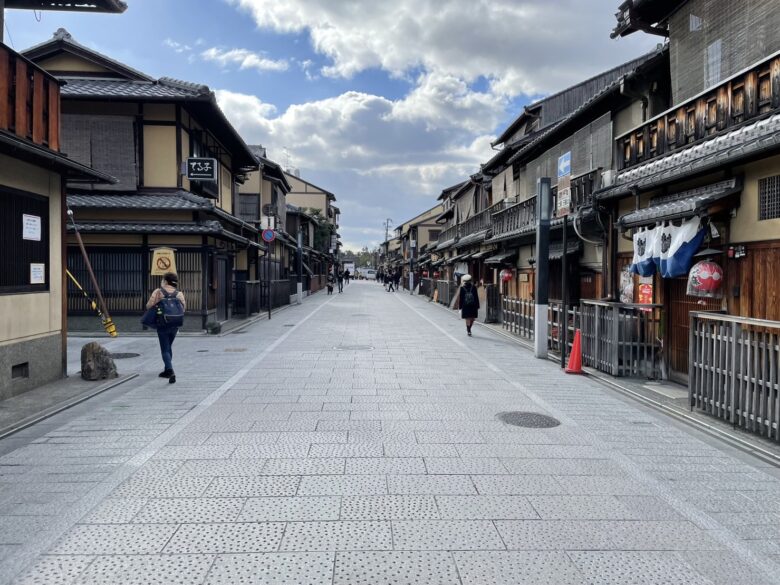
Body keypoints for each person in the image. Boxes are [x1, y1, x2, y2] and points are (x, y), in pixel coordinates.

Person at [145, 272, 185, 383]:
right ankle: (166, 369)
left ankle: (170, 370)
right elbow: (183, 309)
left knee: (165, 349)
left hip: (162, 324)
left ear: (166, 281)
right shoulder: (179, 294)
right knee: (168, 347)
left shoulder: (158, 292)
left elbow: (148, 305)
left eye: (163, 280)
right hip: (175, 324)